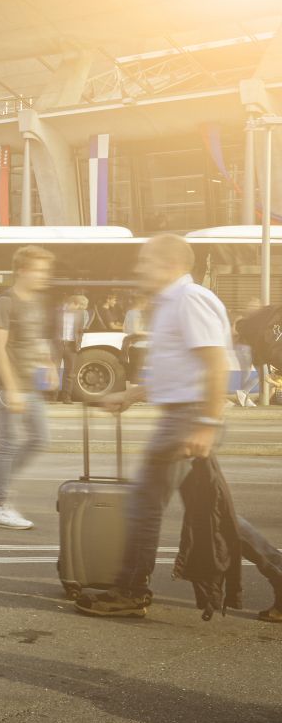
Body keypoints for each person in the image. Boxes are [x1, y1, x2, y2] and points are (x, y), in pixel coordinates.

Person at [77, 235, 282, 622]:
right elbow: (180, 369)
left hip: (187, 419)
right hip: (182, 415)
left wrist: (206, 424)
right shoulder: (170, 304)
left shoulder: (191, 299)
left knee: (144, 505)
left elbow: (214, 365)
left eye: (146, 262)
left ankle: (131, 590)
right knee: (215, 514)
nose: (139, 269)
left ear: (169, 264)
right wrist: (132, 395)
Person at [0, 247, 58, 530]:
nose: (44, 276)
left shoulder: (35, 302)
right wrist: (11, 389)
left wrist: (49, 364)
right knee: (9, 444)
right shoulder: (6, 302)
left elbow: (35, 339)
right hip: (5, 383)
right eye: (39, 270)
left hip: (28, 383)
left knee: (40, 438)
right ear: (22, 271)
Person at [56, 295, 87, 405]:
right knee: (55, 371)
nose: (78, 308)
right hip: (58, 344)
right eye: (77, 305)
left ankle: (66, 398)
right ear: (71, 303)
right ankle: (53, 397)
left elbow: (80, 330)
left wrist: (79, 343)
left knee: (70, 373)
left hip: (71, 346)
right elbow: (50, 327)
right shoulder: (57, 311)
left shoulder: (80, 314)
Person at [233, 299, 264, 408]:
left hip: (246, 348)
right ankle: (244, 396)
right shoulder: (246, 319)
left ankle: (243, 397)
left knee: (253, 373)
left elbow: (234, 332)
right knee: (259, 373)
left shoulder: (243, 319)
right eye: (254, 306)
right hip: (245, 348)